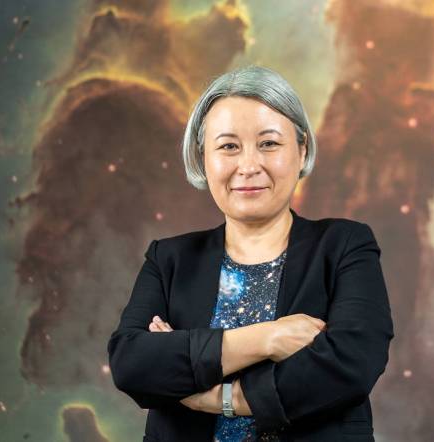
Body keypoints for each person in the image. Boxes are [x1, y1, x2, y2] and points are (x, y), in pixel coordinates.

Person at [107, 65, 394, 442]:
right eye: (228, 146)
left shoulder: (345, 246)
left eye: (269, 143)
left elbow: (352, 363)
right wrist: (268, 339)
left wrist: (222, 397)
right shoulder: (169, 260)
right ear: (203, 157)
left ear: (301, 148)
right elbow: (133, 364)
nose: (248, 166)